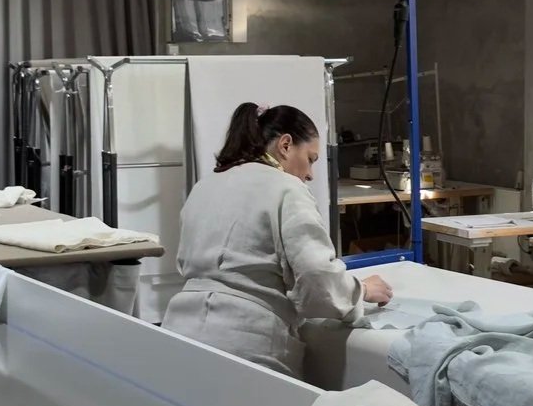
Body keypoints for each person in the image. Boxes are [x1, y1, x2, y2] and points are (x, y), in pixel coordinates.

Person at [161, 102, 390, 377]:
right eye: (311, 158)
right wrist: (361, 290)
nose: (310, 174)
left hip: (179, 330)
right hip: (245, 342)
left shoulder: (205, 185)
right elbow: (316, 279)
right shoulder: (286, 188)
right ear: (285, 145)